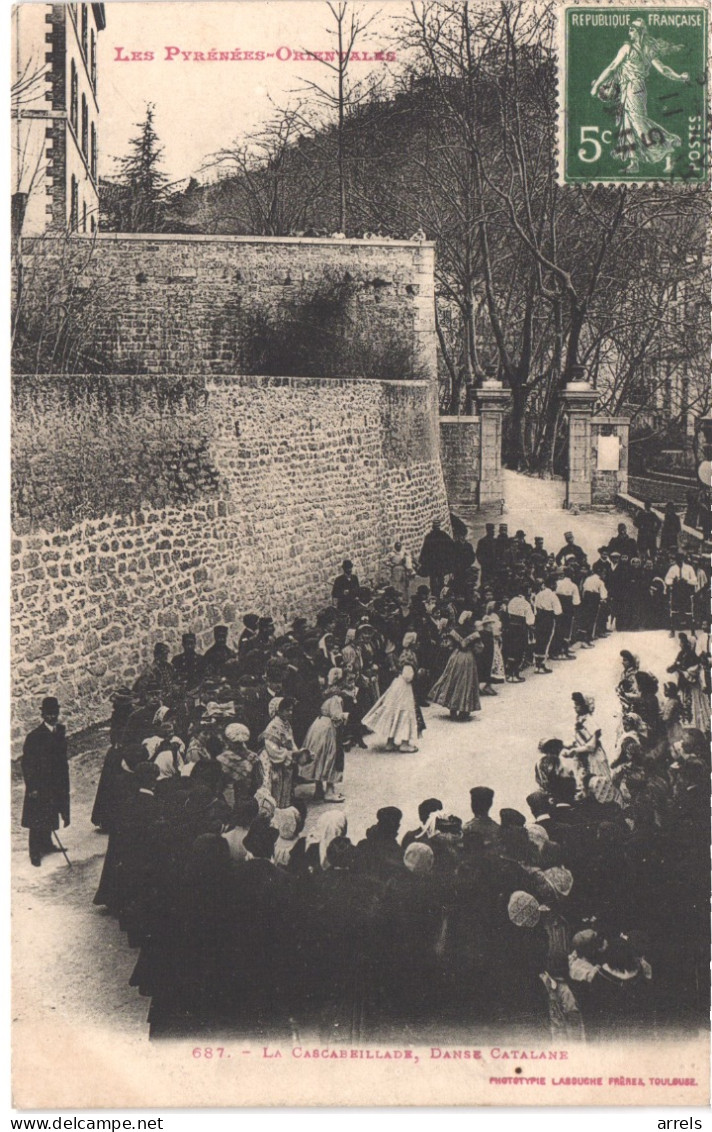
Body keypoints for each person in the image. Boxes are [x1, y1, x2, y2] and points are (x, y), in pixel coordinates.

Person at [21, 697, 70, 867]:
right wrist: (32, 787)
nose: (52, 717)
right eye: (48, 714)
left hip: (56, 782)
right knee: (37, 818)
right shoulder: (34, 737)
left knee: (51, 812)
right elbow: (27, 764)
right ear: (43, 714)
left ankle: (47, 844)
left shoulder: (60, 732)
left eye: (54, 713)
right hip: (40, 784)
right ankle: (35, 852)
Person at [428, 610, 482, 720]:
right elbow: (479, 648)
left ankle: (452, 708)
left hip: (456, 656)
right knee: (467, 682)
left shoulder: (455, 631)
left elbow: (449, 645)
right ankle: (464, 710)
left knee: (453, 679)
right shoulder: (474, 632)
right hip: (468, 657)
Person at [258, 696, 305, 808]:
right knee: (275, 788)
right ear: (278, 711)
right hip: (274, 761)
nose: (290, 712)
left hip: (285, 760)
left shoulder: (286, 724)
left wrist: (297, 753)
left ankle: (284, 810)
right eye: (287, 710)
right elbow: (272, 748)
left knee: (286, 789)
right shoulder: (273, 726)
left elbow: (291, 742)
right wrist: (289, 755)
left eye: (291, 709)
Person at [362, 664, 419, 752]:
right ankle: (405, 743)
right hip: (404, 688)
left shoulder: (399, 660)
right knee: (404, 714)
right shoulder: (408, 661)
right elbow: (408, 676)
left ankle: (390, 742)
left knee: (393, 713)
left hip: (396, 685)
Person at [301, 695, 347, 803]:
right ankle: (329, 791)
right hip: (327, 728)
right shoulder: (336, 698)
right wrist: (345, 716)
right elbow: (336, 716)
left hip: (318, 725)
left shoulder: (325, 695)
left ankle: (318, 789)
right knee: (330, 756)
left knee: (319, 756)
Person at [418, 520, 454, 598]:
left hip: (432, 563)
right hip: (441, 562)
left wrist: (422, 561)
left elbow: (425, 550)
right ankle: (440, 593)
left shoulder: (429, 536)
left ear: (433, 527)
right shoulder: (443, 535)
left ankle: (435, 593)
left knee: (433, 578)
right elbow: (451, 546)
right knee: (440, 577)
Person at [532, 579, 561, 674]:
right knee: (546, 641)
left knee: (539, 640)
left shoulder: (538, 595)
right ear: (552, 585)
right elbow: (558, 611)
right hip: (548, 618)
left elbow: (535, 609)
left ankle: (537, 665)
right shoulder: (553, 595)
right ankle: (542, 665)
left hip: (539, 618)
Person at [664, 553, 696, 633]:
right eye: (677, 559)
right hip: (676, 592)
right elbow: (667, 579)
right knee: (674, 611)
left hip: (686, 591)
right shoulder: (672, 568)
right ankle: (672, 631)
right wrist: (673, 581)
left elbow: (695, 580)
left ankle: (693, 631)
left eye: (681, 559)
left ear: (683, 559)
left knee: (689, 612)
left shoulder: (689, 568)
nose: (679, 561)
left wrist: (686, 580)